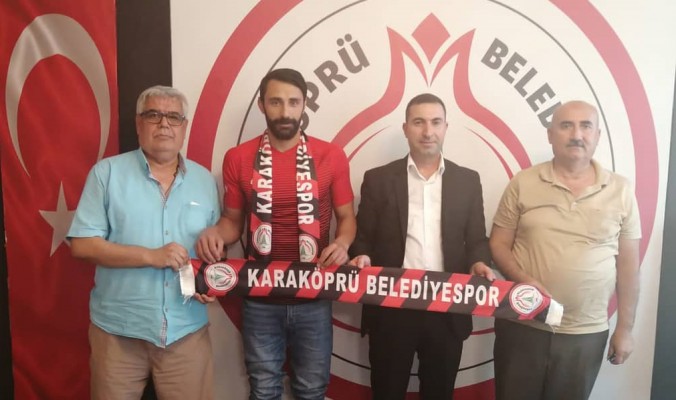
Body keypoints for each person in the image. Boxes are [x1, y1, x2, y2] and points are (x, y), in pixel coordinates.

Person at [196, 68, 356, 400]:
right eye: (276, 102)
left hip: (313, 293)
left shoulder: (330, 156)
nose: (285, 112)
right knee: (263, 389)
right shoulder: (238, 158)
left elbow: (347, 218)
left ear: (304, 104)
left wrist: (342, 243)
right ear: (261, 105)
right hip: (260, 296)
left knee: (311, 390)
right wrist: (215, 234)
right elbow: (232, 221)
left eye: (293, 102)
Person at [67, 85, 220, 399]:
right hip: (118, 333)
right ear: (138, 124)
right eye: (153, 115)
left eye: (174, 117)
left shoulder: (205, 181)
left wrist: (210, 282)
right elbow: (82, 244)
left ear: (184, 127)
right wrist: (151, 256)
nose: (164, 124)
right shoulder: (106, 174)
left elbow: (211, 250)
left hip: (186, 333)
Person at [489, 100, 641, 400]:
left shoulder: (621, 190)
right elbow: (498, 243)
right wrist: (523, 279)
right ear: (550, 134)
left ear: (597, 136)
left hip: (584, 333)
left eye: (586, 126)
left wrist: (625, 329)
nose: (577, 135)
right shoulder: (523, 182)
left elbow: (628, 268)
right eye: (566, 126)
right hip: (522, 324)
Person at [349, 93, 495, 400]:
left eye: (435, 122)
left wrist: (478, 262)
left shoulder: (467, 180)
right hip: (392, 306)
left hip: (447, 307)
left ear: (445, 127)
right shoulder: (378, 179)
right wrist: (361, 256)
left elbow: (476, 240)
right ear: (405, 128)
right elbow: (363, 238)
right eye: (418, 122)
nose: (428, 131)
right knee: (387, 393)